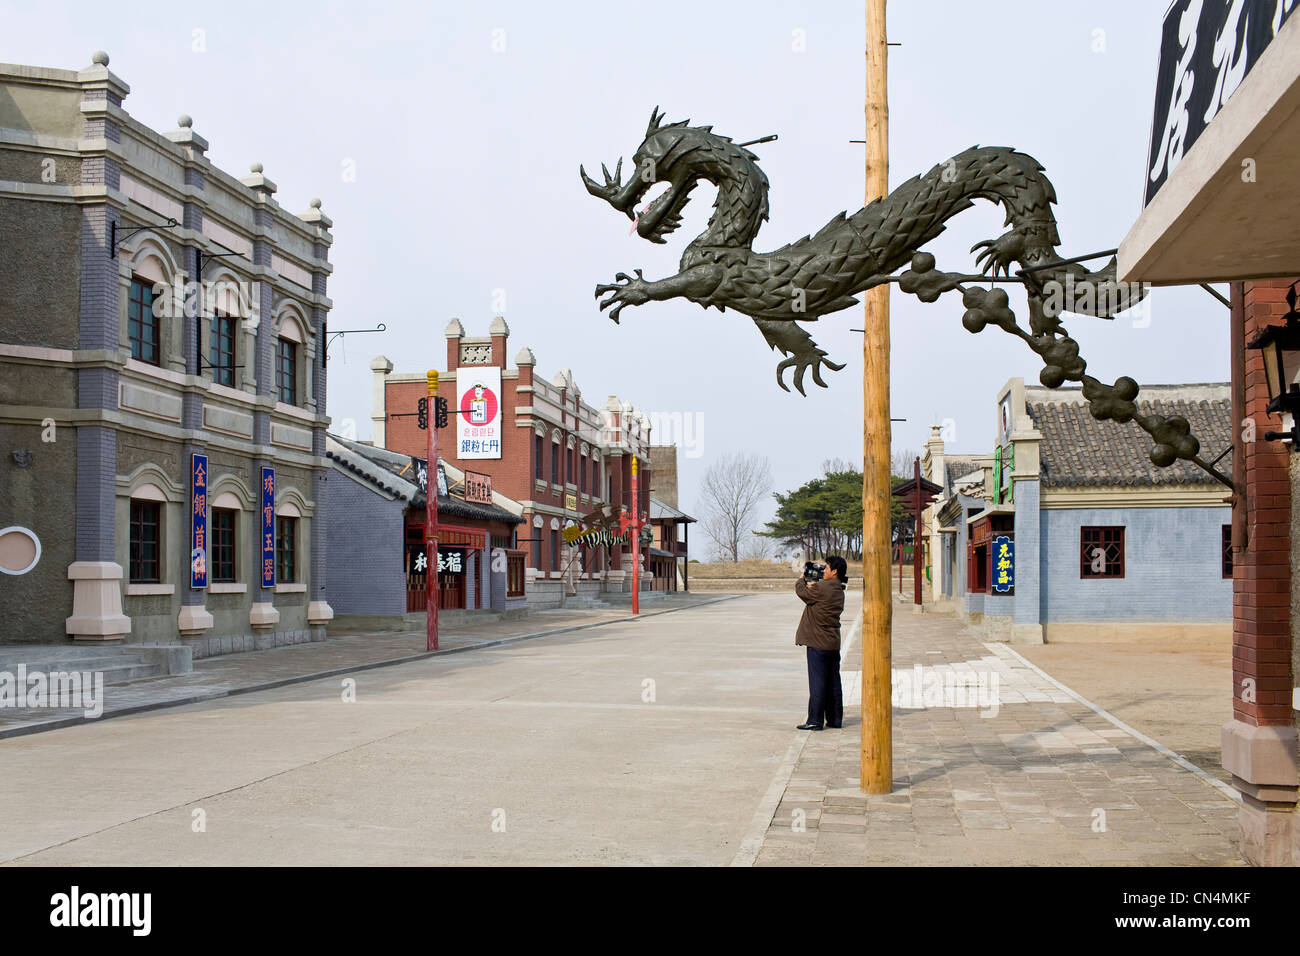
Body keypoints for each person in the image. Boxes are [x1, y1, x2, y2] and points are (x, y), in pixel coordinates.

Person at [794, 555, 848, 731]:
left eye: (826, 568)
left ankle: (815, 720)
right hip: (832, 642)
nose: (823, 571)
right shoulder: (840, 590)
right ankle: (834, 719)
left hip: (817, 642)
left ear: (834, 571)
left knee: (817, 682)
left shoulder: (822, 587)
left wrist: (802, 578)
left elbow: (802, 592)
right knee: (833, 683)